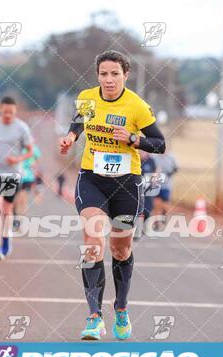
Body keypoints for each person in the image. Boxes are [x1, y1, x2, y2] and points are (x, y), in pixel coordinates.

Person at [59, 50, 166, 340]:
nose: (109, 79)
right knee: (93, 242)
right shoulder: (87, 97)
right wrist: (71, 137)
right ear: (97, 76)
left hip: (126, 184)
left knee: (120, 249)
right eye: (103, 74)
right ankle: (94, 317)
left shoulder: (137, 106)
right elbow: (79, 123)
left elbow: (159, 144)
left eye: (114, 74)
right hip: (92, 178)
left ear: (125, 75)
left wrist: (133, 139)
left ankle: (121, 307)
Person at [0, 96, 34, 260]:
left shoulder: (22, 128)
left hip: (11, 173)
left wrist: (17, 159)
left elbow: (30, 151)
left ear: (15, 111)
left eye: (11, 112)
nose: (8, 115)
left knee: (6, 209)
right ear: (0, 110)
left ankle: (6, 238)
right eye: (5, 112)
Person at [151, 153, 178, 230]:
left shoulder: (171, 157)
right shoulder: (154, 157)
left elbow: (176, 168)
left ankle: (164, 217)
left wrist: (168, 174)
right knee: (156, 204)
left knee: (165, 205)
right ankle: (156, 222)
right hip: (156, 184)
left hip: (166, 185)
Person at [15, 144, 42, 217]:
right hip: (15, 176)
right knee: (16, 199)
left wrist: (34, 164)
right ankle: (16, 215)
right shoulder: (18, 147)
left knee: (23, 196)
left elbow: (37, 159)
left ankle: (21, 217)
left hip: (28, 177)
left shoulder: (34, 148)